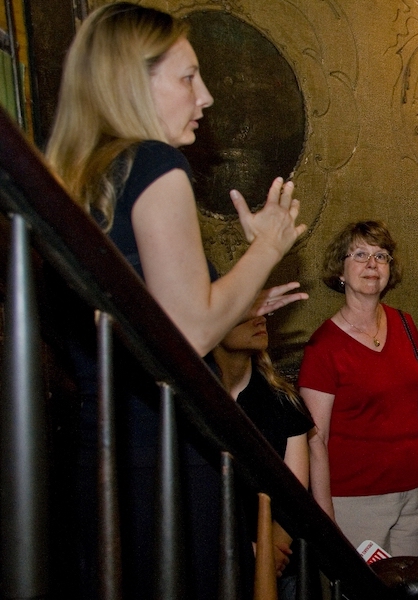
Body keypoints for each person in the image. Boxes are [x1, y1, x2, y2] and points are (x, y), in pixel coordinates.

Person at [46, 5, 307, 598]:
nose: (207, 96)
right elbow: (190, 329)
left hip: (99, 455)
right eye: (188, 77)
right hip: (164, 452)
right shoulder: (155, 163)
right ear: (132, 82)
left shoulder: (84, 180)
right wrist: (265, 249)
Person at [299, 220, 418, 555]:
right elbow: (316, 441)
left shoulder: (405, 324)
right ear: (340, 270)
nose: (372, 264)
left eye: (381, 256)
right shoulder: (324, 346)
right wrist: (326, 518)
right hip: (354, 503)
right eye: (360, 254)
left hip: (412, 493)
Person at [211, 315, 314, 597]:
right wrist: (247, 549)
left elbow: (295, 493)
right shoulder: (195, 400)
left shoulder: (283, 401)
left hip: (281, 563)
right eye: (246, 310)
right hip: (209, 557)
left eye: (265, 311)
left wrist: (270, 550)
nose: (261, 320)